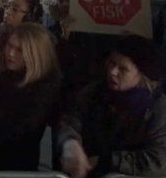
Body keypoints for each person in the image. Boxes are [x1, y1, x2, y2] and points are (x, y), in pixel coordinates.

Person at [58, 35, 166, 178]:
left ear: (142, 76)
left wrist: (108, 161)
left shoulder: (157, 109)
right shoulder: (92, 94)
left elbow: (159, 161)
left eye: (123, 69)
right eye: (112, 63)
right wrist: (70, 142)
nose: (112, 72)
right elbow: (71, 121)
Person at [0, 23, 61, 170]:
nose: (10, 53)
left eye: (19, 50)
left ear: (35, 54)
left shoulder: (43, 89)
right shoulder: (7, 75)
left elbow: (9, 129)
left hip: (14, 165)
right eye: (9, 46)